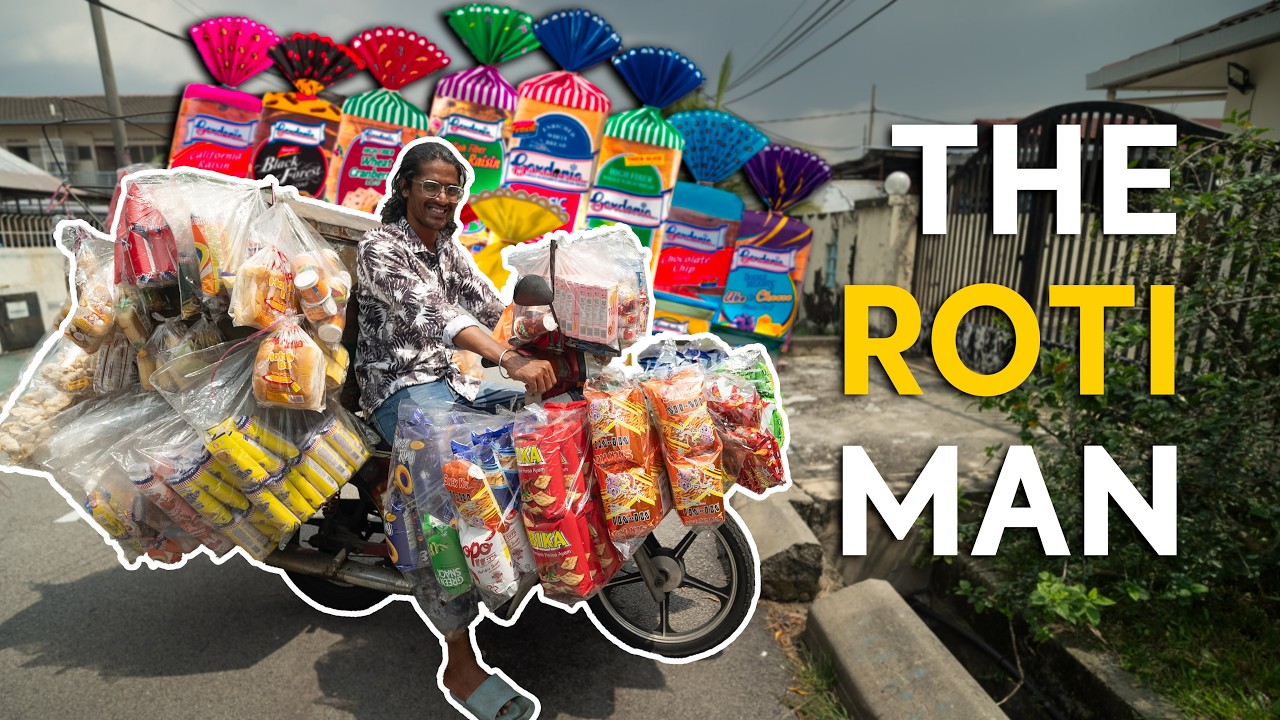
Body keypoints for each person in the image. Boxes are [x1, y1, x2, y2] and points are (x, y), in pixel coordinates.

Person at [354, 137, 553, 720]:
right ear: (405, 188)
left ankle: (513, 562)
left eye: (452, 189)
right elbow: (435, 313)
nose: (443, 198)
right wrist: (507, 358)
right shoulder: (380, 248)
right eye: (431, 187)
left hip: (450, 382)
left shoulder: (446, 247)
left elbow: (489, 307)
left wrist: (550, 326)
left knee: (534, 425)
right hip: (397, 388)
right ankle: (459, 661)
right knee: (444, 500)